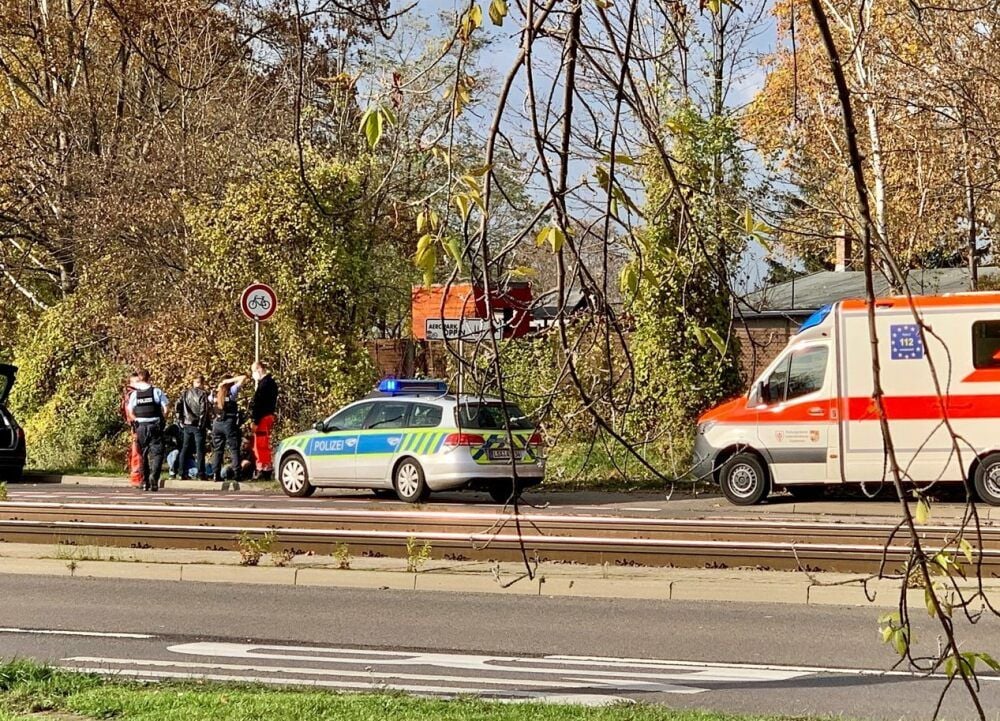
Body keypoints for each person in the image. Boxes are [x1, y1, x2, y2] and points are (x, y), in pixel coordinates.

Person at [126, 369, 169, 492]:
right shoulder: (156, 391)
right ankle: (154, 478)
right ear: (149, 378)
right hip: (154, 425)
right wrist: (161, 420)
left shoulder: (135, 394)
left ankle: (145, 482)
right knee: (158, 453)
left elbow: (131, 412)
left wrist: (137, 421)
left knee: (143, 454)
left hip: (141, 427)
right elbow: (166, 408)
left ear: (139, 378)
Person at [212, 374, 246, 486]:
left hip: (217, 424)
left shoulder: (214, 393)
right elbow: (243, 377)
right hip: (228, 423)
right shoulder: (232, 391)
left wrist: (221, 384)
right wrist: (229, 380)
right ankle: (237, 474)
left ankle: (216, 474)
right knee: (234, 448)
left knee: (218, 450)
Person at [175, 374, 210, 480]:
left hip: (186, 424)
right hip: (198, 425)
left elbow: (177, 406)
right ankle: (201, 473)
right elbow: (204, 411)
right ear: (202, 383)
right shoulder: (203, 394)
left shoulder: (185, 393)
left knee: (185, 448)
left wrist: (180, 420)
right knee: (200, 450)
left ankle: (181, 472)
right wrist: (202, 424)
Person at [249, 361, 279, 480]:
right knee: (264, 443)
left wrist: (255, 421)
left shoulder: (264, 384)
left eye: (253, 371)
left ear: (259, 369)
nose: (253, 374)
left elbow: (259, 404)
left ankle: (263, 468)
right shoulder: (271, 383)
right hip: (268, 416)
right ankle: (265, 467)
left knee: (260, 445)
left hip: (262, 418)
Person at [120, 373, 143, 487]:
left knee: (137, 450)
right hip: (136, 425)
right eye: (137, 382)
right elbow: (129, 412)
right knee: (137, 451)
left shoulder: (128, 394)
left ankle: (138, 475)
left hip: (135, 425)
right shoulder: (132, 395)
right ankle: (136, 477)